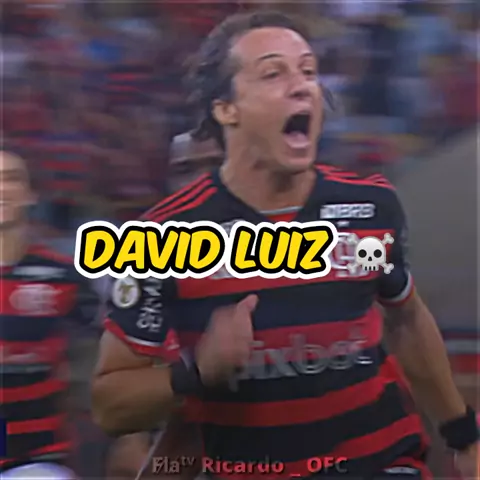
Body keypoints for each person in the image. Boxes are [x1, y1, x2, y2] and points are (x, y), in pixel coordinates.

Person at [91, 12, 479, 479]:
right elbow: (111, 407)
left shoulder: (369, 206)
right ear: (226, 108)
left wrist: (464, 436)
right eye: (273, 73)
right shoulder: (161, 237)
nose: (302, 87)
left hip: (381, 464)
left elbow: (408, 318)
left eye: (309, 71)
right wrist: (196, 371)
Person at [0, 151, 99, 477]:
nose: (1, 188)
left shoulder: (61, 274)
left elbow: (107, 345)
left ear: (31, 195)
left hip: (37, 457)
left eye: (11, 178)